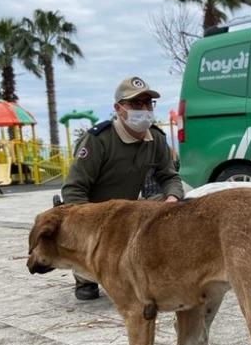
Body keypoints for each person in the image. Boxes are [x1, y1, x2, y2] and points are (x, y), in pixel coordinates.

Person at [60, 76, 184, 300]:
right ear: (118, 108)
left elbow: (169, 176)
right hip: (93, 213)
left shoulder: (156, 138)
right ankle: (84, 275)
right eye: (136, 104)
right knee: (89, 290)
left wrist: (173, 199)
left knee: (177, 209)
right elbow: (73, 189)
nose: (144, 109)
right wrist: (89, 223)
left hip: (126, 212)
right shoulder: (98, 140)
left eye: (148, 103)